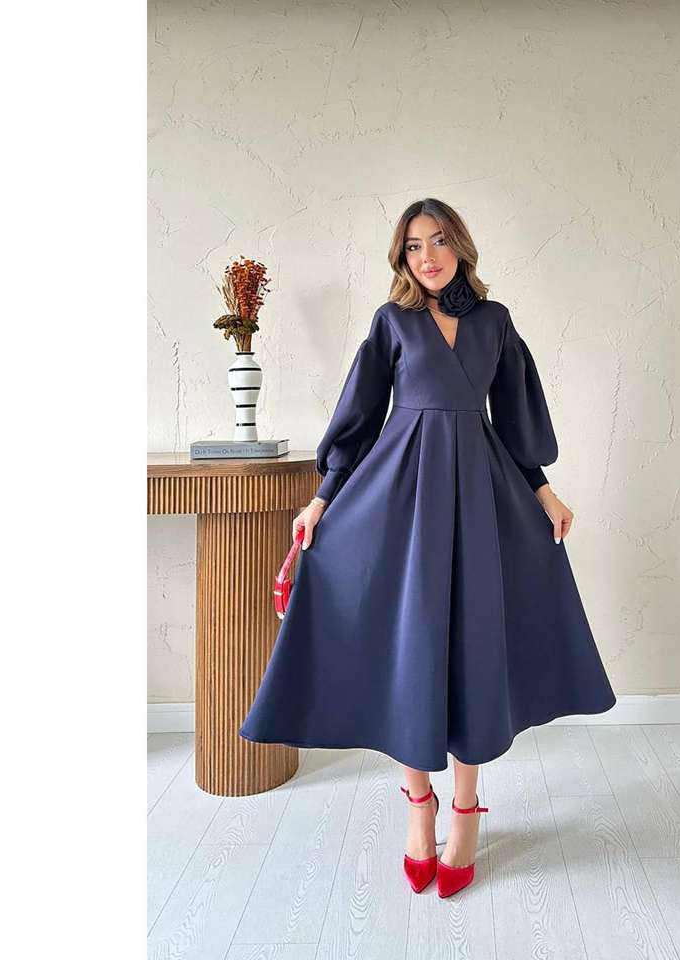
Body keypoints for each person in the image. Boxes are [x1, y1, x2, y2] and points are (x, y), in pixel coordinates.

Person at [239, 198, 616, 898]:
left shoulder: (495, 323)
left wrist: (543, 492)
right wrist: (322, 501)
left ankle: (466, 811)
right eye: (414, 246)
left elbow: (515, 423)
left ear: (460, 246)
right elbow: (358, 419)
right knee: (405, 644)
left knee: (472, 646)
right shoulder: (393, 322)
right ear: (402, 257)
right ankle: (420, 805)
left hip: (479, 496)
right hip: (400, 498)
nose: (428, 256)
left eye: (438, 241)